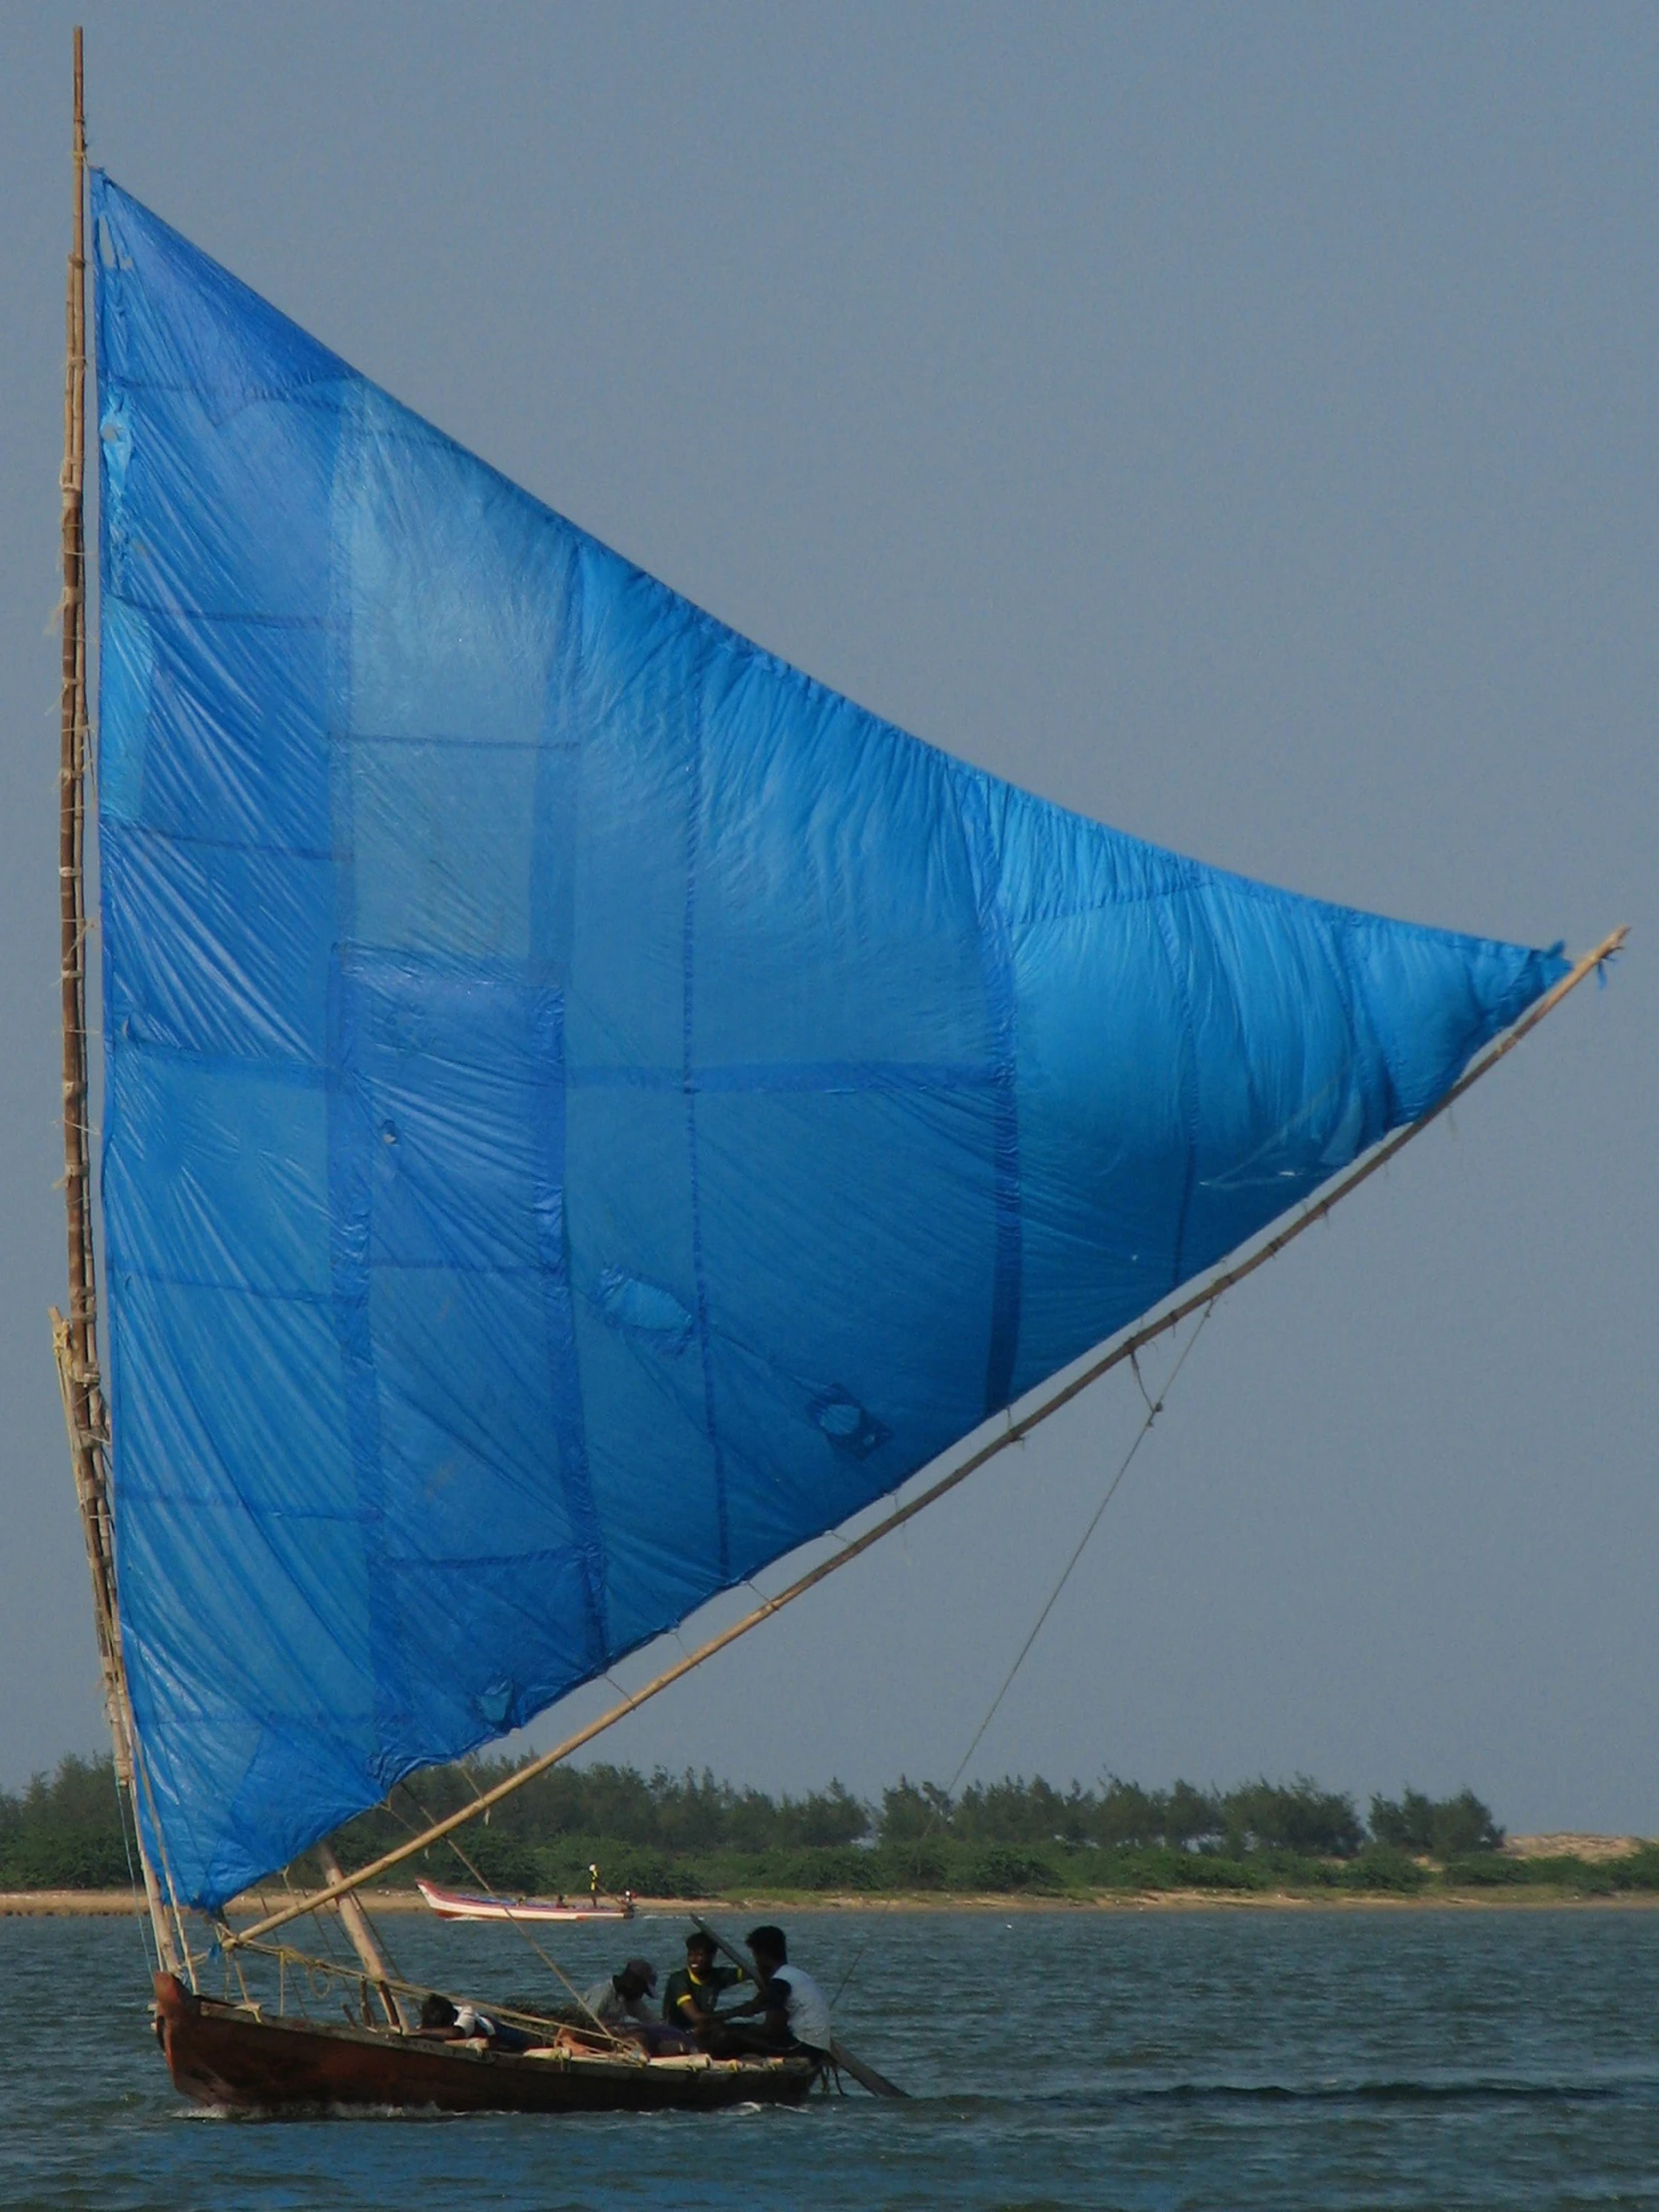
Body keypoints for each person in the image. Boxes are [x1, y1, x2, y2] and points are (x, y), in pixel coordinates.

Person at [714, 1926, 832, 2059]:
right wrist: (722, 2017)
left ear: (762, 1954)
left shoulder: (779, 1982)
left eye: (755, 1956)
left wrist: (739, 2030)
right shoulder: (796, 1975)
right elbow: (756, 2005)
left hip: (802, 2048)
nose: (756, 1962)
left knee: (725, 2038)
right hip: (814, 2046)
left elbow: (772, 2029)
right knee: (736, 2030)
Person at [661, 1928, 744, 2039]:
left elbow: (750, 1973)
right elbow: (696, 2018)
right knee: (716, 2031)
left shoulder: (718, 1976)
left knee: (742, 2030)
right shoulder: (678, 1980)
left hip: (704, 2029)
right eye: (690, 1955)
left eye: (699, 1955)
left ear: (712, 1956)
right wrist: (740, 2011)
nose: (693, 1960)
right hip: (677, 2034)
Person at [415, 1990, 536, 2053]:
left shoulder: (466, 2014)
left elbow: (456, 2034)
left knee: (527, 2043)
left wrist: (418, 2032)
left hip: (496, 2033)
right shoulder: (429, 2022)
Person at [579, 1955, 658, 2031]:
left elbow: (652, 2021)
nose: (641, 1996)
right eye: (642, 1990)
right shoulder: (602, 1994)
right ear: (632, 1982)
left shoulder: (631, 2000)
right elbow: (587, 2024)